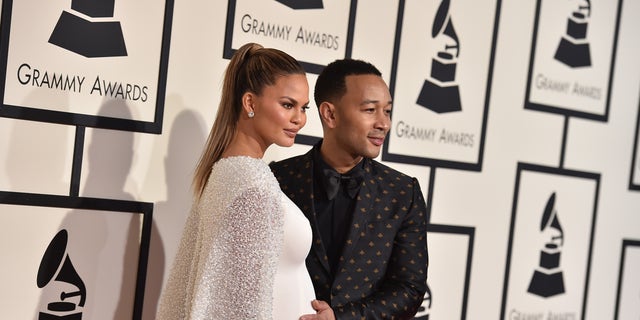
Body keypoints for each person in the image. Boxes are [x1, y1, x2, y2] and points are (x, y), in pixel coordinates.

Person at [157, 42, 333, 320]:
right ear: (250, 102)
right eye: (288, 105)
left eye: (304, 107)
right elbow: (238, 305)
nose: (299, 119)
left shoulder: (226, 174)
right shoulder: (253, 187)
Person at [270, 58, 429, 319]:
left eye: (387, 111)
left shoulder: (402, 193)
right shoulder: (280, 179)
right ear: (330, 114)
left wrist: (342, 317)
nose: (384, 123)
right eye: (370, 110)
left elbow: (409, 289)